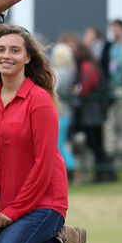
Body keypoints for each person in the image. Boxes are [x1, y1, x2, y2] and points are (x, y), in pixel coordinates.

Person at [0, 24, 86, 243]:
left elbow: (44, 163)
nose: (6, 56)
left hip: (42, 203)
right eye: (1, 50)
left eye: (15, 50)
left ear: (27, 57)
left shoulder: (39, 100)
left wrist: (14, 211)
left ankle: (61, 236)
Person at [75, 42, 115, 183]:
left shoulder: (86, 67)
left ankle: (103, 174)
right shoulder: (92, 65)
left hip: (92, 113)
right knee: (98, 145)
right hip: (97, 112)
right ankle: (107, 173)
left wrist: (78, 91)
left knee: (96, 145)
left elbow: (86, 88)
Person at [100, 19, 122, 158]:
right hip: (111, 88)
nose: (114, 32)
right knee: (111, 119)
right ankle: (111, 149)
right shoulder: (108, 46)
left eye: (116, 29)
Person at [50, 42, 77, 177]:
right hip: (67, 112)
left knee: (59, 144)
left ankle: (71, 170)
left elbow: (53, 91)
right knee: (63, 143)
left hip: (59, 112)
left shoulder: (59, 73)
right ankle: (72, 170)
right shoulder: (71, 71)